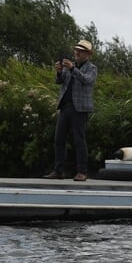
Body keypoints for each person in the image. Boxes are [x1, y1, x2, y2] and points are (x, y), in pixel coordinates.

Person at [47, 40, 97, 181]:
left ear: (87, 54)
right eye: (76, 50)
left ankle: (82, 172)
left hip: (80, 109)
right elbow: (60, 81)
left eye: (80, 51)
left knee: (79, 140)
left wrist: (72, 69)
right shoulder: (71, 66)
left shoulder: (92, 68)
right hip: (65, 107)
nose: (77, 52)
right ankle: (59, 171)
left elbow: (87, 80)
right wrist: (58, 72)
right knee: (59, 139)